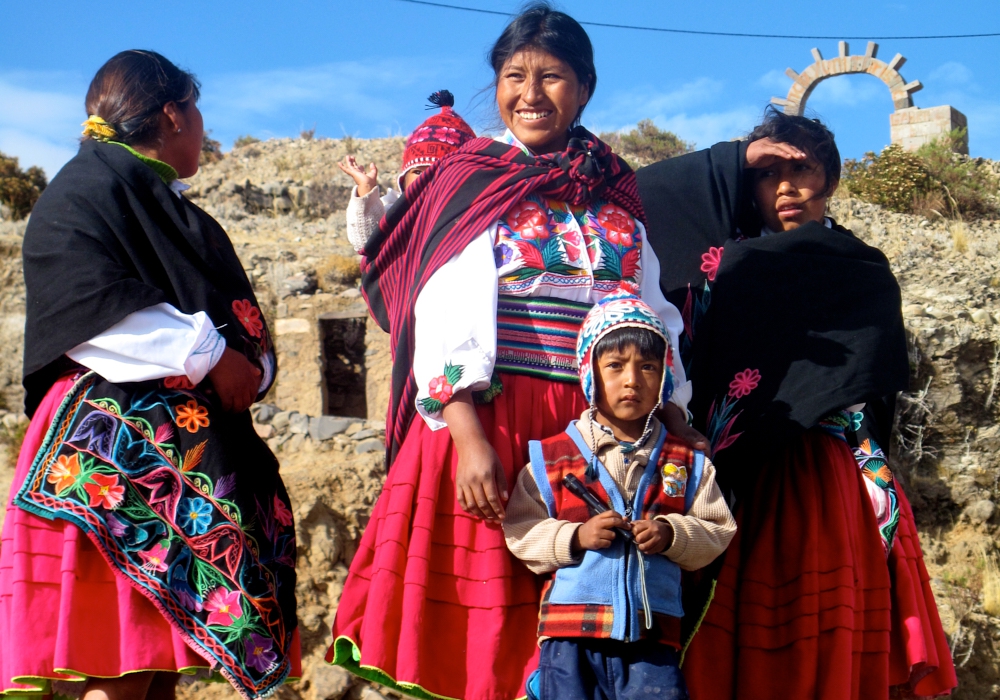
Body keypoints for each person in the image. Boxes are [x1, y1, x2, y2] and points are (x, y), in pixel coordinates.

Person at [326, 5, 702, 699]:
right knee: (492, 638)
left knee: (587, 636)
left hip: (598, 442)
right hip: (495, 425)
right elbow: (444, 306)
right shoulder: (474, 180)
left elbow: (651, 311)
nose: (531, 94)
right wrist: (467, 435)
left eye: (552, 77)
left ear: (585, 87)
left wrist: (673, 411)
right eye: (513, 76)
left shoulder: (615, 195)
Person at [0, 50, 299, 700]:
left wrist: (242, 359)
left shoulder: (151, 202)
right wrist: (212, 355)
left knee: (152, 672)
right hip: (112, 461)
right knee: (117, 672)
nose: (202, 130)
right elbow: (91, 305)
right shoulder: (83, 194)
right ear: (173, 113)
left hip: (167, 462)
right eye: (197, 112)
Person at [636, 107, 956, 699]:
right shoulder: (719, 265)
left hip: (821, 480)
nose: (785, 187)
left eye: (803, 169)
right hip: (724, 481)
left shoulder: (862, 271)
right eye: (766, 173)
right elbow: (642, 195)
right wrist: (734, 157)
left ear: (830, 181)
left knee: (811, 648)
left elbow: (875, 391)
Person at [504, 288, 736, 700]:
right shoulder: (554, 457)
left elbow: (718, 528)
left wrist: (671, 534)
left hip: (653, 640)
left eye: (648, 367)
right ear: (590, 373)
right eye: (615, 366)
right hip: (570, 638)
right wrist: (575, 537)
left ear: (664, 377)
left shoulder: (685, 461)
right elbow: (522, 530)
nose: (632, 380)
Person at [338, 90, 477, 253]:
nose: (427, 180)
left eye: (441, 173)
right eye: (418, 172)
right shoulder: (396, 212)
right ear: (403, 181)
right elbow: (365, 241)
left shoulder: (473, 214)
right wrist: (366, 189)